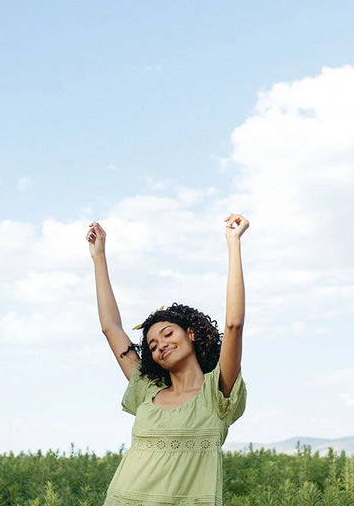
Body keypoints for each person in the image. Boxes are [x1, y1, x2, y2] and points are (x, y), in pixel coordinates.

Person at [87, 214, 249, 506]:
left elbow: (234, 324)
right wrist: (99, 257)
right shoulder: (148, 389)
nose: (160, 345)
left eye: (167, 333)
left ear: (191, 334)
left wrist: (233, 243)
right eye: (152, 344)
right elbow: (110, 327)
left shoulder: (217, 393)